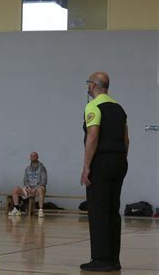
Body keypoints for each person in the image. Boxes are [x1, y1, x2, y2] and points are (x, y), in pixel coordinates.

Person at [80, 72, 128, 272]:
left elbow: (93, 137)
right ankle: (113, 260)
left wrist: (86, 166)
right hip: (119, 161)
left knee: (98, 210)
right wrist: (121, 159)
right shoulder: (119, 109)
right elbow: (126, 140)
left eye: (88, 83)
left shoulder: (93, 106)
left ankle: (100, 259)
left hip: (101, 163)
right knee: (112, 211)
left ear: (92, 86)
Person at [8, 152, 48, 218]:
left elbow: (44, 181)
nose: (33, 157)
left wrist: (35, 188)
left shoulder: (42, 168)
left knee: (41, 189)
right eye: (31, 156)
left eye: (34, 156)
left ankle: (40, 210)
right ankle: (16, 209)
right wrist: (28, 187)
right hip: (29, 189)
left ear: (37, 157)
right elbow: (25, 180)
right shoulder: (27, 168)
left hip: (38, 188)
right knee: (15, 189)